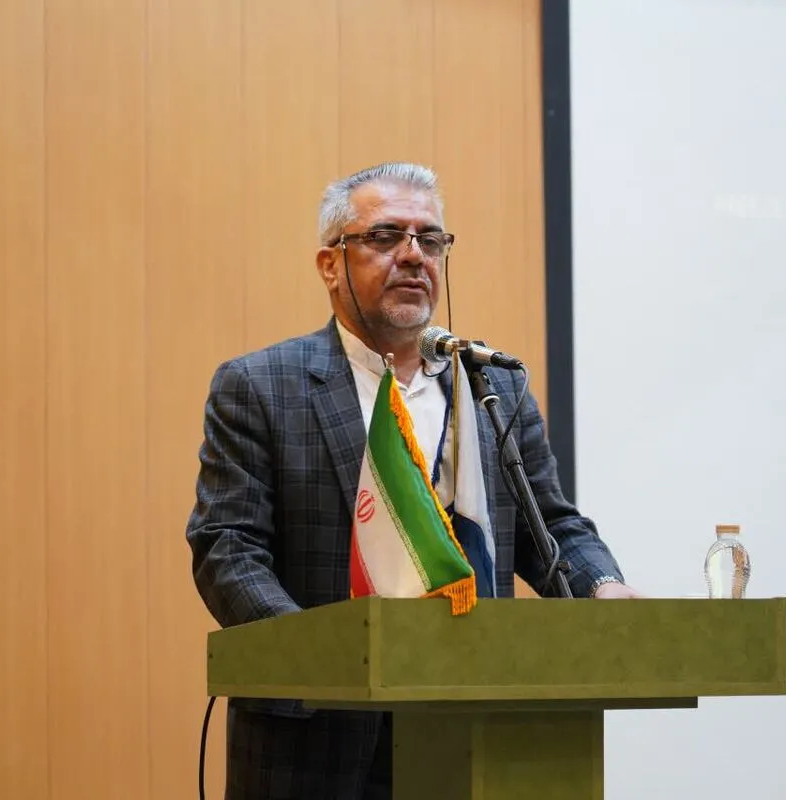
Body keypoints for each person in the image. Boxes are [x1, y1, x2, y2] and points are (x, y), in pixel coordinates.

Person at [186, 161, 639, 799]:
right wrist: (323, 656)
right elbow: (227, 549)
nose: (413, 255)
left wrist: (603, 587)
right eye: (385, 236)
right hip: (318, 735)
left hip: (472, 722)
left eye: (430, 239)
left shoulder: (492, 386)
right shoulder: (260, 386)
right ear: (330, 264)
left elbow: (551, 527)